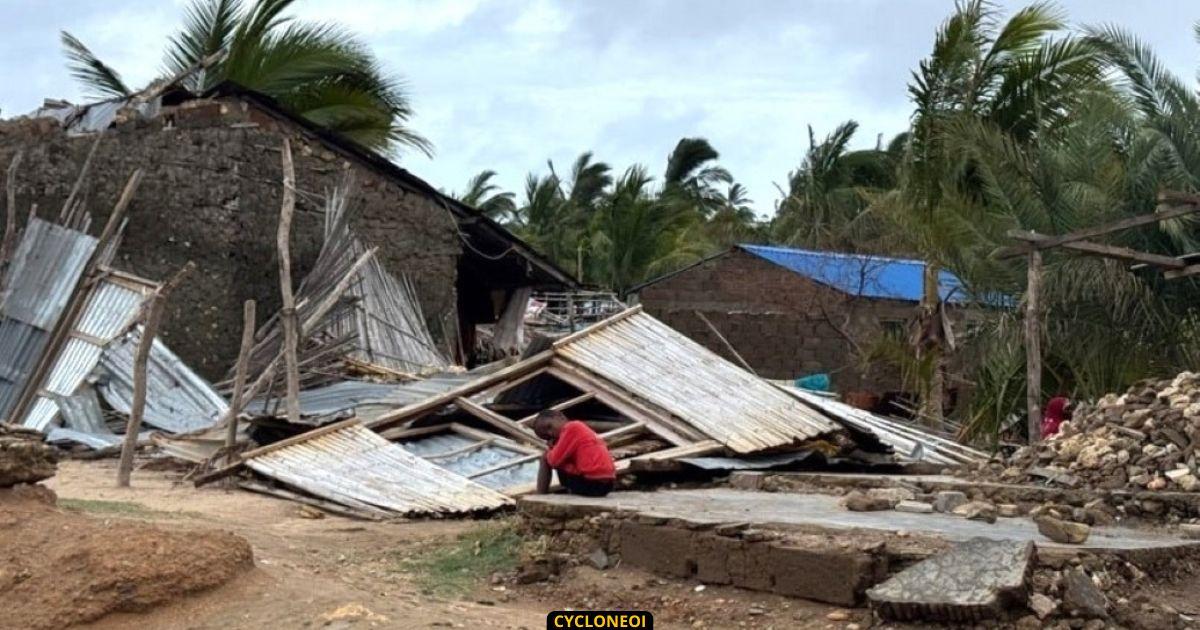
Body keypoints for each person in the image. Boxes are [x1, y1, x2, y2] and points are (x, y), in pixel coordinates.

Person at [532, 410, 615, 496]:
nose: (551, 433)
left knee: (545, 457)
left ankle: (540, 495)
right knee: (557, 457)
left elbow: (554, 461)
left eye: (549, 427)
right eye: (547, 437)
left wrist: (551, 449)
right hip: (607, 484)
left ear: (561, 417)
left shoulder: (571, 427)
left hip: (593, 484)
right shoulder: (580, 428)